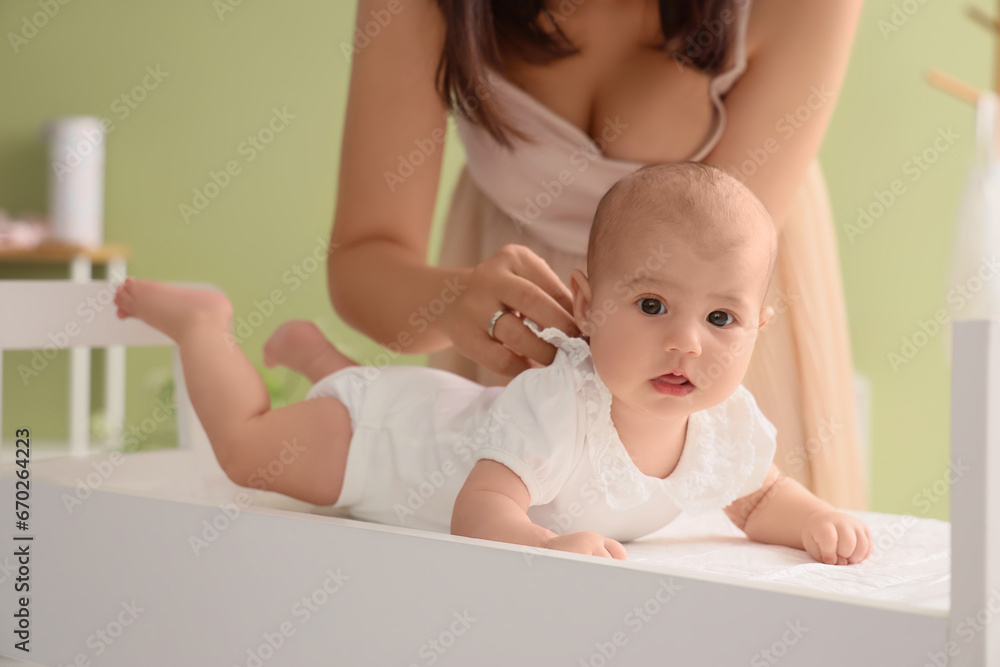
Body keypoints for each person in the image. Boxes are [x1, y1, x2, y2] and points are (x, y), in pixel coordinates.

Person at [113, 163, 872, 564]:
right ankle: (201, 325)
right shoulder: (561, 407)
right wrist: (549, 546)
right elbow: (479, 509)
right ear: (586, 300)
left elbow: (758, 495)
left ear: (757, 327)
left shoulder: (725, 422)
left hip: (445, 410)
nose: (687, 343)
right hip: (388, 448)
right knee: (252, 452)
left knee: (399, 394)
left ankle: (315, 356)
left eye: (721, 318)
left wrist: (817, 521)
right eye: (650, 306)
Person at [328, 0, 868, 510]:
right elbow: (364, 259)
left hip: (713, 340)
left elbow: (720, 257)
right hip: (503, 341)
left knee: (748, 562)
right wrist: (449, 303)